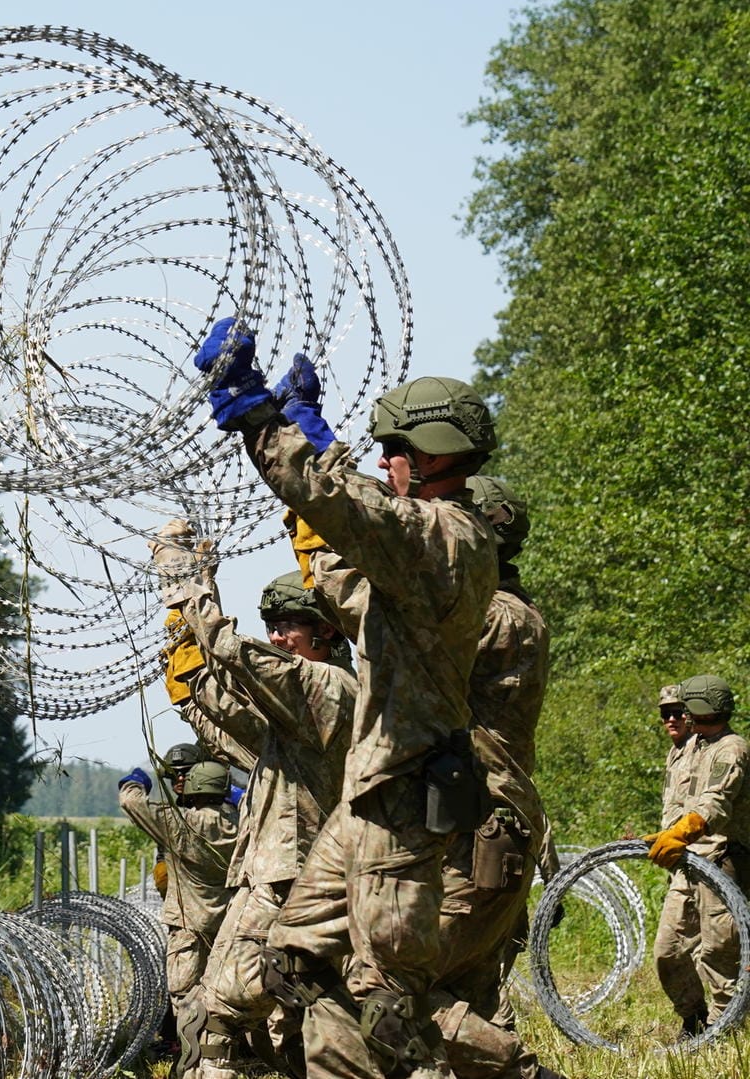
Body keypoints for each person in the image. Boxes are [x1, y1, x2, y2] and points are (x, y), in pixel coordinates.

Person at [190, 320, 499, 1077]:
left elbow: (342, 505)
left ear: (432, 456)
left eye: (394, 450)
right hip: (368, 799)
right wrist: (308, 440)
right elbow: (342, 561)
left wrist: (262, 419)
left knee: (391, 1000)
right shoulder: (421, 548)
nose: (385, 462)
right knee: (294, 961)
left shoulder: (445, 537)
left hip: (403, 799)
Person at [152, 546, 355, 1079]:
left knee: (222, 1011)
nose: (278, 638)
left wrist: (191, 592)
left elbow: (238, 659)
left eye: (290, 627)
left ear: (328, 632)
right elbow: (224, 705)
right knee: (294, 1022)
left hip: (292, 880)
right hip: (282, 879)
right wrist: (183, 635)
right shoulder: (295, 711)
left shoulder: (328, 688)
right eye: (273, 626)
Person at [428, 476, 564, 1079]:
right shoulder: (499, 610)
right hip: (476, 822)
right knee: (471, 994)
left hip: (475, 828)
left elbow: (401, 638)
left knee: (388, 985)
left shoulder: (497, 618)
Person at [649, 674, 750, 1035]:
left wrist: (683, 830)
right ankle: (693, 1020)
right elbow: (680, 800)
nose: (678, 717)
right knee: (668, 950)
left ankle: (727, 1031)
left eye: (683, 709)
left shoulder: (732, 748)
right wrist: (664, 836)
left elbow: (715, 803)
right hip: (687, 865)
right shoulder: (692, 747)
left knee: (720, 953)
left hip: (722, 862)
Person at [119, 754, 240, 1017]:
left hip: (189, 929)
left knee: (187, 1001)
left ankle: (193, 1056)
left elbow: (131, 802)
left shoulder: (180, 823)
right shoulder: (244, 823)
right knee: (228, 997)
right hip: (231, 927)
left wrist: (136, 782)